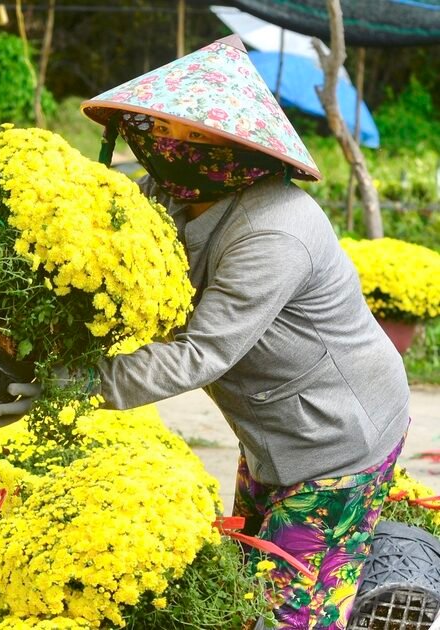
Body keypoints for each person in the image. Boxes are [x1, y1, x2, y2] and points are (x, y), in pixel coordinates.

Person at [74, 36, 409, 629]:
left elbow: (199, 354)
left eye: (194, 135)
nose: (170, 145)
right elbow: (101, 241)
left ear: (237, 146)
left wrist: (77, 384)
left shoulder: (273, 230)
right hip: (272, 427)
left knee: (292, 610)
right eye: (161, 128)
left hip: (338, 438)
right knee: (249, 581)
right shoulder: (169, 194)